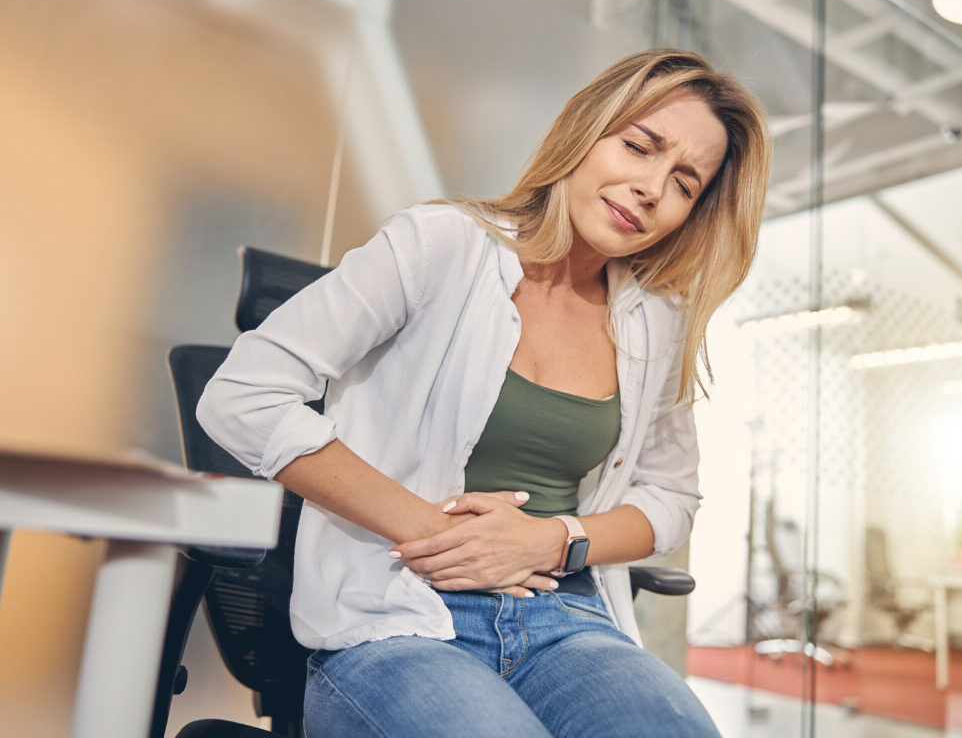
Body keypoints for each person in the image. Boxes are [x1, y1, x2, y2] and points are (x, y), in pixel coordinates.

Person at [197, 47, 770, 737]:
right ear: (586, 133)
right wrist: (434, 529)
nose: (651, 186)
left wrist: (553, 541)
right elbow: (242, 396)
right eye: (639, 146)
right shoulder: (441, 245)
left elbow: (671, 499)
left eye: (684, 182)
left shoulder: (657, 321)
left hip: (568, 621)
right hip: (400, 622)